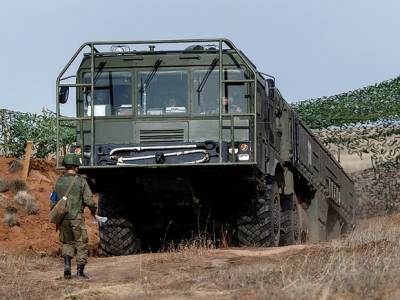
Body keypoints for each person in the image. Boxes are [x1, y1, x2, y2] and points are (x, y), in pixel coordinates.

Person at [50, 154, 97, 279]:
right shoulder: (81, 181)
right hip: (76, 217)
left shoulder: (58, 181)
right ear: (76, 167)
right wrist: (94, 212)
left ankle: (67, 266)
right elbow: (89, 200)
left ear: (65, 166)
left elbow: (53, 201)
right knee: (81, 242)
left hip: (63, 218)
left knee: (67, 242)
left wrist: (57, 217)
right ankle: (80, 272)